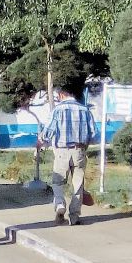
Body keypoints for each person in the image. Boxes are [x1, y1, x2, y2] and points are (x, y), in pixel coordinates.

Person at [37, 82, 96, 226]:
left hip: (62, 151)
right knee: (78, 185)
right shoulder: (85, 110)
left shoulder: (58, 110)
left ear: (62, 94)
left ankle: (59, 204)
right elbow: (94, 133)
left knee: (58, 181)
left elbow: (48, 131)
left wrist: (40, 141)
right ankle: (74, 217)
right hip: (79, 151)